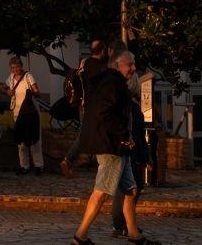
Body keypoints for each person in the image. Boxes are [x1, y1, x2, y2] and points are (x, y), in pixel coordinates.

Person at [71, 51, 156, 245]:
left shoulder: (110, 82)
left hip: (118, 147)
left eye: (134, 64)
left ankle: (134, 235)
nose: (133, 68)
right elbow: (104, 113)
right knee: (100, 193)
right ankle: (80, 236)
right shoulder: (113, 83)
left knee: (130, 191)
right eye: (129, 65)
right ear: (117, 66)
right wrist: (124, 135)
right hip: (112, 147)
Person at [62, 39, 108, 177]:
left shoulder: (84, 63)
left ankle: (70, 160)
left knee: (88, 134)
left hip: (82, 105)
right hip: (93, 107)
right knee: (89, 135)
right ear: (103, 51)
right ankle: (69, 159)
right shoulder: (100, 68)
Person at [112, 72, 149, 239]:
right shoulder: (132, 107)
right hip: (130, 152)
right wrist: (144, 158)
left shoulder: (118, 104)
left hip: (118, 151)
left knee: (122, 190)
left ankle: (121, 226)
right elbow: (138, 135)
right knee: (132, 189)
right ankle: (126, 225)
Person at [3, 56, 44, 175]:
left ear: (21, 66)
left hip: (30, 112)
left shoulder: (28, 76)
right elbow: (3, 88)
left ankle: (38, 166)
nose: (15, 70)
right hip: (18, 113)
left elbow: (38, 92)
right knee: (21, 140)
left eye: (17, 67)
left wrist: (33, 92)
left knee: (34, 138)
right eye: (13, 68)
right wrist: (7, 92)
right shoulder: (11, 78)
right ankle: (24, 165)